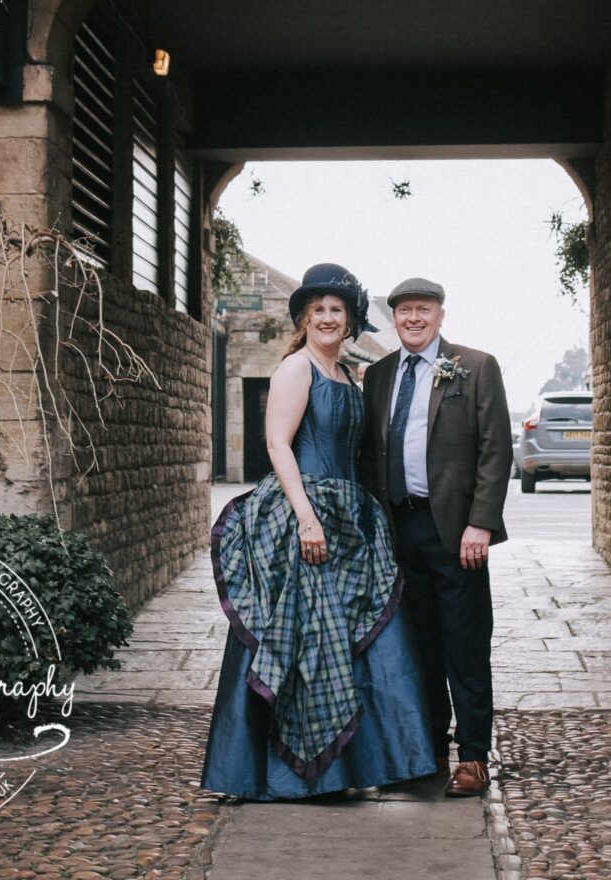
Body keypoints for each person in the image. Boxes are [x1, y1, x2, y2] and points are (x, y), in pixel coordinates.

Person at [201, 263, 437, 800]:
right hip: (302, 517)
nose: (328, 319)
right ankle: (294, 774)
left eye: (337, 311)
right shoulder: (295, 370)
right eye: (319, 311)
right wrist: (305, 517)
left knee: (357, 638)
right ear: (304, 319)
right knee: (304, 640)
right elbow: (279, 445)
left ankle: (355, 767)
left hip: (349, 517)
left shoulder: (347, 373)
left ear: (350, 320)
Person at [360, 277, 511, 797]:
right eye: (404, 312)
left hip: (455, 530)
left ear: (441, 315)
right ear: (394, 318)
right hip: (399, 530)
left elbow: (496, 450)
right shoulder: (378, 375)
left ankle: (473, 758)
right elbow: (368, 454)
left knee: (465, 646)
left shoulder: (476, 366)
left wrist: (482, 522)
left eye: (423, 310)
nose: (414, 319)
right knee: (417, 647)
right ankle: (426, 752)